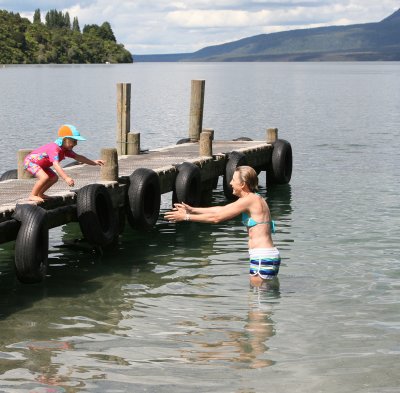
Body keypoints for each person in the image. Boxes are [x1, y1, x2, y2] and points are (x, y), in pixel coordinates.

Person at [164, 165, 280, 286]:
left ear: (242, 184)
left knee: (258, 300)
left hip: (262, 257)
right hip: (267, 255)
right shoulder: (255, 198)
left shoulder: (249, 200)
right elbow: (221, 209)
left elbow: (216, 218)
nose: (230, 183)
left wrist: (186, 217)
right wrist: (192, 210)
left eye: (233, 180)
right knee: (263, 299)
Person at [24, 124, 105, 203]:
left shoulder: (65, 150)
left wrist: (93, 162)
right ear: (65, 139)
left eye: (76, 141)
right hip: (31, 162)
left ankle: (40, 194)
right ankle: (32, 195)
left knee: (54, 178)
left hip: (43, 165)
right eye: (74, 141)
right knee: (44, 177)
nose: (76, 144)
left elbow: (78, 157)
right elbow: (56, 165)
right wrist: (66, 178)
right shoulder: (55, 148)